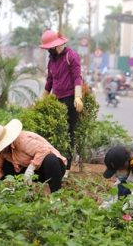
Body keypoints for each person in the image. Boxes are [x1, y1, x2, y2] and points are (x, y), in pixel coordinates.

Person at [39, 30, 83, 178]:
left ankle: (67, 167)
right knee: (55, 133)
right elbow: (49, 81)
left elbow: (77, 78)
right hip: (56, 100)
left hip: (70, 99)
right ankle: (55, 164)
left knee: (69, 133)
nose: (49, 50)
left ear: (58, 45)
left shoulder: (71, 56)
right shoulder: (52, 60)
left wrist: (78, 97)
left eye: (51, 48)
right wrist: (42, 100)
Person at [0, 119, 67, 193]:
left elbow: (43, 150)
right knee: (5, 166)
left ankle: (56, 195)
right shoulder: (2, 152)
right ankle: (21, 191)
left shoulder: (22, 140)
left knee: (50, 159)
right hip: (33, 173)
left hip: (53, 169)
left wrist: (31, 168)